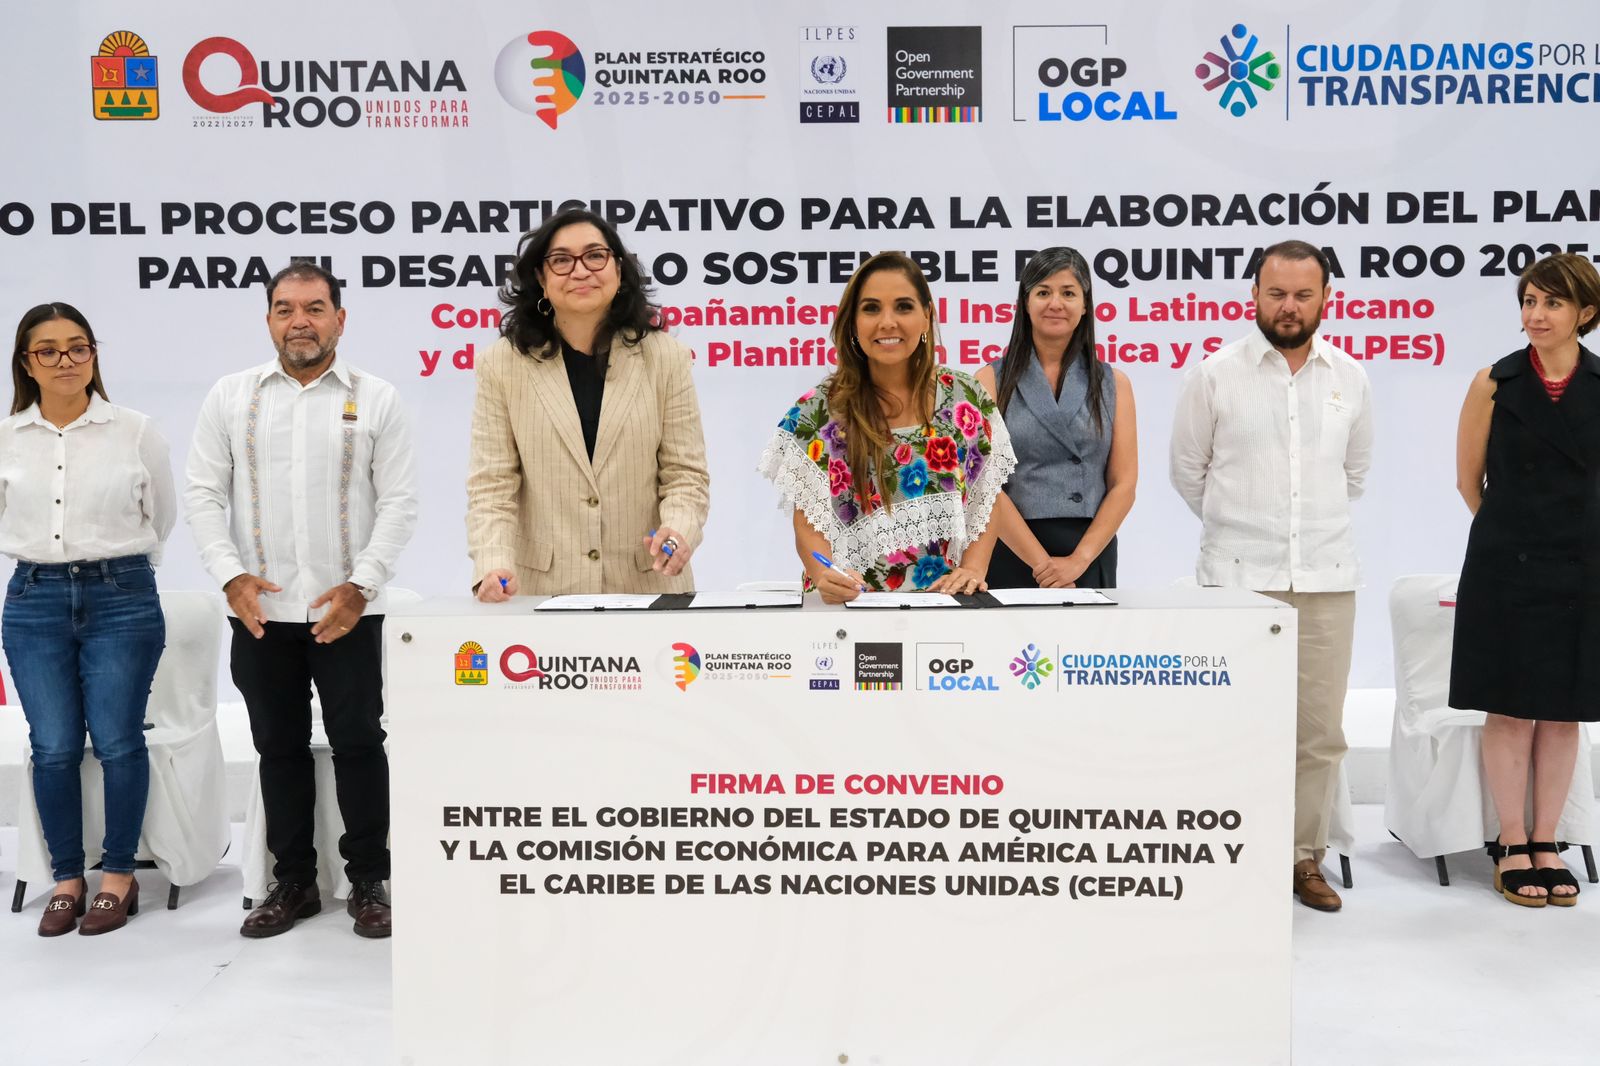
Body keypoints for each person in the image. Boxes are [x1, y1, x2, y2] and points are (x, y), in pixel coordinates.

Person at [186, 262, 417, 939]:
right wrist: (232, 577)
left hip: (348, 614)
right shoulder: (232, 396)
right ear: (269, 320)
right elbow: (203, 494)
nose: (300, 322)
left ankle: (370, 880)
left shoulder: (377, 398)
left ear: (339, 319)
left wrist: (361, 586)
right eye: (285, 309)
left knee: (359, 744)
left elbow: (399, 502)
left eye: (314, 308)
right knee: (277, 749)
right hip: (261, 615)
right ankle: (293, 884)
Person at [1169, 240, 1373, 913]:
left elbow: (1354, 475)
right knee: (1233, 725)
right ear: (1254, 295)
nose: (1289, 307)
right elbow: (1188, 472)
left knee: (1320, 734)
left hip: (1326, 579)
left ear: (1326, 299)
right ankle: (1235, 856)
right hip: (1236, 584)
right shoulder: (1215, 375)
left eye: (1303, 295)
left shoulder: (1351, 378)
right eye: (1277, 293)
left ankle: (1300, 856)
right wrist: (1242, 529)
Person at [0, 302, 174, 936]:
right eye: (47, 351)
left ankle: (119, 875)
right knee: (53, 747)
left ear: (94, 355)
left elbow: (161, 516)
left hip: (121, 595)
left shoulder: (134, 430)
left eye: (78, 347)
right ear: (27, 363)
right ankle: (68, 879)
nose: (65, 360)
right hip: (35, 598)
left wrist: (116, 569)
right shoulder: (8, 436)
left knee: (119, 739)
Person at [1451, 252, 1600, 908]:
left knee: (1563, 712)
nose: (1536, 315)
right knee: (1509, 706)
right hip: (1506, 565)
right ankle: (1512, 842)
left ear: (1586, 313)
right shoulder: (1494, 381)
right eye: (1529, 301)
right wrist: (1515, 537)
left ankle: (1548, 840)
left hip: (1584, 566)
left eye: (1553, 303)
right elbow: (1469, 481)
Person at [468, 208, 710, 599]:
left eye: (595, 256)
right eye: (561, 260)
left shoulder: (666, 357)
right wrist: (492, 563)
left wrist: (678, 532)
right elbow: (492, 486)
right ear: (541, 278)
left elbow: (686, 475)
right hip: (543, 592)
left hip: (648, 586)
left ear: (619, 269)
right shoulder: (501, 364)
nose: (580, 271)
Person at [759, 252, 1015, 601]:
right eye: (871, 308)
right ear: (852, 322)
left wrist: (974, 568)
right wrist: (823, 575)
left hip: (941, 607)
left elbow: (987, 494)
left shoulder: (966, 399)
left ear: (926, 316)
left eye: (904, 307)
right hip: (846, 610)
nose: (888, 322)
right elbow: (808, 522)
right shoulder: (817, 410)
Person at [976, 247, 1136, 589]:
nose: (1055, 303)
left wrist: (1079, 560)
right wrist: (1042, 565)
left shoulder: (1113, 383)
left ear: (1085, 304)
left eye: (1068, 293)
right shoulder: (990, 380)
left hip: (1088, 552)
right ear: (1025, 302)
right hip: (1010, 546)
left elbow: (1123, 484)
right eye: (1043, 292)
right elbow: (985, 484)